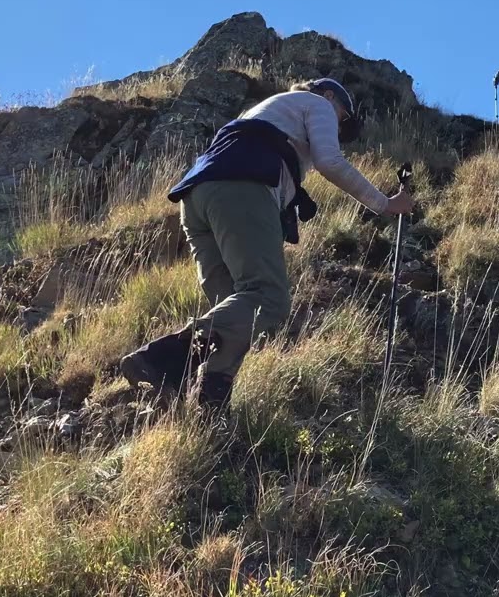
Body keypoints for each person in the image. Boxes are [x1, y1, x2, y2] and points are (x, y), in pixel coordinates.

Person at [119, 78, 415, 407]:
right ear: (330, 96)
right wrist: (386, 204)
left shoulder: (265, 112)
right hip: (243, 187)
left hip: (198, 197)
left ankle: (208, 405)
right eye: (342, 118)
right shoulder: (317, 103)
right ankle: (162, 357)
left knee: (236, 309)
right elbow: (330, 161)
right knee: (268, 298)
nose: (339, 128)